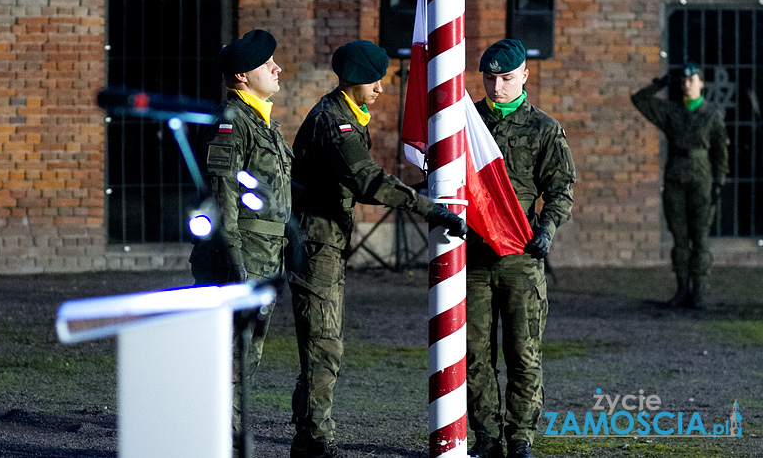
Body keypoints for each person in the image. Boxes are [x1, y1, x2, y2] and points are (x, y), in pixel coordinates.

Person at [287, 40, 466, 458]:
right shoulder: (336, 124)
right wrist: (429, 208)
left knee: (323, 344)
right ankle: (315, 442)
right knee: (323, 346)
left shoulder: (346, 114)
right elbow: (367, 181)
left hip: (324, 241)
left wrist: (415, 192)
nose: (381, 89)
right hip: (316, 246)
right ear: (351, 81)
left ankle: (308, 436)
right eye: (373, 81)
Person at [467, 39, 575, 458]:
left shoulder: (544, 129)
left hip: (521, 256)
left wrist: (546, 229)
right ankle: (487, 438)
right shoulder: (465, 124)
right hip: (472, 255)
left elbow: (561, 188)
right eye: (490, 79)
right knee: (474, 355)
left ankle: (520, 438)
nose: (497, 87)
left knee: (523, 353)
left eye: (506, 78)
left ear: (525, 76)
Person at [188, 29, 293, 445]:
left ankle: (222, 437)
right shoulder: (231, 123)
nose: (277, 68)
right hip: (239, 259)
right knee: (230, 357)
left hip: (265, 256)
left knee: (246, 358)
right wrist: (236, 266)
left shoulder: (262, 120)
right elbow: (223, 197)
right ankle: (216, 439)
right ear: (240, 77)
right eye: (267, 65)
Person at [631, 62, 728, 309]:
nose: (687, 84)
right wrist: (661, 83)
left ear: (701, 83)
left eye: (692, 80)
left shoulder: (712, 114)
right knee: (680, 236)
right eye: (684, 81)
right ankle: (682, 288)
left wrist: (719, 182)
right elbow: (640, 100)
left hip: (701, 177)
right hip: (675, 176)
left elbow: (719, 152)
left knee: (701, 235)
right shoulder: (672, 112)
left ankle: (699, 291)